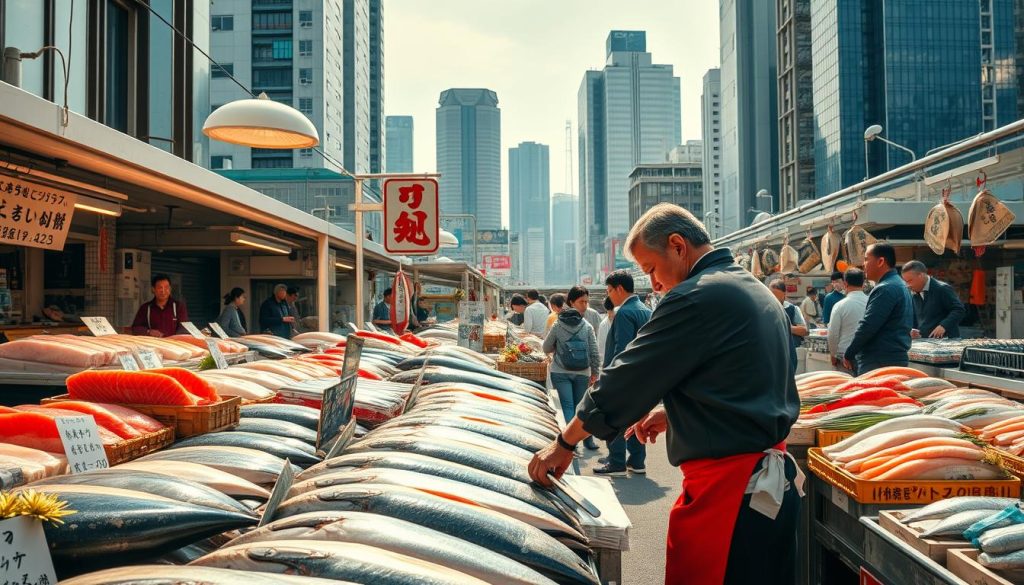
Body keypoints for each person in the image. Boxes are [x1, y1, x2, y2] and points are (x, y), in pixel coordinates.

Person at [528, 203, 801, 584]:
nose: (653, 285)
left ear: (678, 245)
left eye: (651, 269)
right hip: (768, 490)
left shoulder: (696, 295)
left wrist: (566, 442)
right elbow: (751, 378)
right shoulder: (755, 291)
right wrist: (674, 414)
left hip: (731, 492)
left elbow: (627, 378)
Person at [595, 270, 652, 477]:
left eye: (610, 290)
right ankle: (637, 461)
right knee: (637, 417)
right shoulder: (646, 310)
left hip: (625, 376)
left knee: (616, 418)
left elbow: (622, 349)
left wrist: (613, 378)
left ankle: (616, 461)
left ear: (619, 289)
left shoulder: (625, 313)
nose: (609, 295)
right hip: (644, 376)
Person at [843, 243, 913, 374]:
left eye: (866, 259)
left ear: (881, 261)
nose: (863, 264)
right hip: (893, 358)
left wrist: (849, 352)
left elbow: (868, 326)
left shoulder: (885, 288)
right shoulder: (900, 284)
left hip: (879, 361)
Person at [543, 304, 600, 452]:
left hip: (560, 371)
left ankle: (570, 444)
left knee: (567, 406)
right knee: (582, 407)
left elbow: (546, 348)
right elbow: (594, 351)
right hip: (583, 372)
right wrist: (595, 373)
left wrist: (557, 347)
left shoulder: (557, 325)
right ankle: (588, 440)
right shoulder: (586, 326)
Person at [901, 260, 965, 339]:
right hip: (924, 343)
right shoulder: (912, 291)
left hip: (947, 341)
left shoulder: (942, 289)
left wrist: (943, 326)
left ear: (921, 276)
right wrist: (912, 330)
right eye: (906, 282)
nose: (907, 285)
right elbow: (915, 317)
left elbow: (959, 310)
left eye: (910, 281)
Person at [827, 269, 868, 375]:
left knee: (847, 390)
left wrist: (833, 355)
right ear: (863, 283)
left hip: (845, 357)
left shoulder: (840, 306)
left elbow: (832, 334)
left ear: (845, 284)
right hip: (867, 357)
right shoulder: (872, 304)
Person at [769, 279, 809, 372]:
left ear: (784, 295)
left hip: (789, 353)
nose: (775, 302)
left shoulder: (792, 309)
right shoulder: (763, 309)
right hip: (771, 353)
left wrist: (785, 326)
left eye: (777, 298)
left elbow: (804, 331)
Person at [597, 296, 614, 365]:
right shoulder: (603, 324)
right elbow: (601, 347)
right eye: (609, 311)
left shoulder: (623, 320)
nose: (611, 314)